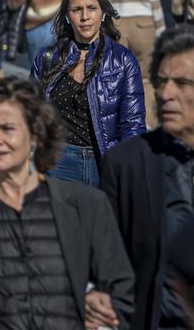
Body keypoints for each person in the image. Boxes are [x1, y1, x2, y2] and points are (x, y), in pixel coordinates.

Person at [0, 78, 134, 329]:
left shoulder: (87, 205)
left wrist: (103, 306)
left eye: (7, 128)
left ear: (35, 135)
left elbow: (122, 289)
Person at [100, 24, 194, 330]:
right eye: (161, 81)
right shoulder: (125, 164)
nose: (166, 94)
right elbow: (108, 266)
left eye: (182, 83)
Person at [30, 0, 146, 185]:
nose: (85, 17)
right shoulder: (47, 58)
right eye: (77, 9)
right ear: (67, 15)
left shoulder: (123, 60)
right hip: (59, 162)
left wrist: (130, 169)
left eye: (91, 8)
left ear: (103, 13)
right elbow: (30, 113)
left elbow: (132, 123)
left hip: (106, 163)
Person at [94, 0, 164, 127]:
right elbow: (155, 1)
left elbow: (96, 6)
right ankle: (149, 124)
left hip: (116, 27)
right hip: (144, 25)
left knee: (116, 79)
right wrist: (160, 33)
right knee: (147, 79)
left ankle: (123, 125)